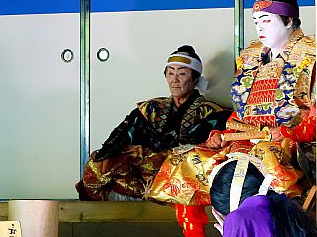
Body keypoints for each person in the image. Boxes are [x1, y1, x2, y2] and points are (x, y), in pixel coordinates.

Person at [150, 0, 316, 237]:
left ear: (289, 20)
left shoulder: (310, 55)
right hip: (246, 138)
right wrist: (224, 133)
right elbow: (243, 109)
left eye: (267, 20)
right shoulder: (251, 57)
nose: (260, 27)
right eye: (256, 21)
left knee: (267, 164)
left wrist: (291, 132)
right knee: (187, 158)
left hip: (292, 143)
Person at [76, 45, 230, 202]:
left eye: (182, 74)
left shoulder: (211, 112)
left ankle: (155, 196)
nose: (174, 80)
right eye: (170, 73)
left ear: (195, 78)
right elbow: (124, 131)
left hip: (179, 174)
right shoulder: (151, 108)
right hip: (145, 172)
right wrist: (108, 152)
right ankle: (142, 196)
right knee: (98, 163)